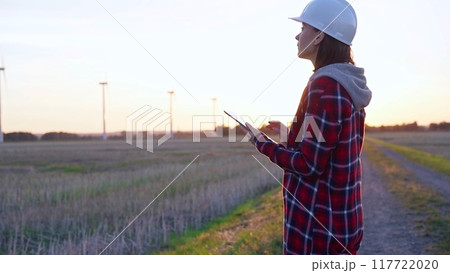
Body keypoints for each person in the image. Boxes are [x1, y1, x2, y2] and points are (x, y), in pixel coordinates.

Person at [245, 0, 372, 254]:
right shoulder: (345, 82)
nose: (297, 34)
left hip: (318, 228)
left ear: (319, 37)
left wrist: (262, 143)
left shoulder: (326, 85)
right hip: (342, 220)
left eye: (303, 28)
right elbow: (330, 145)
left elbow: (309, 165)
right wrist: (288, 134)